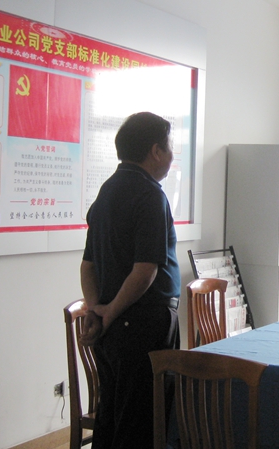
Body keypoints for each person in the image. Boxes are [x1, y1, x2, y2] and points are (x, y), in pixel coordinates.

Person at [79, 112, 181, 449]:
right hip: (144, 325)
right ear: (155, 151)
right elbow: (145, 271)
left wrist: (97, 310)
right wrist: (108, 313)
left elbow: (87, 266)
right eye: (169, 147)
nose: (171, 155)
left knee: (111, 416)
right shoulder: (150, 195)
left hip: (112, 330)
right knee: (141, 422)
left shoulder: (106, 191)